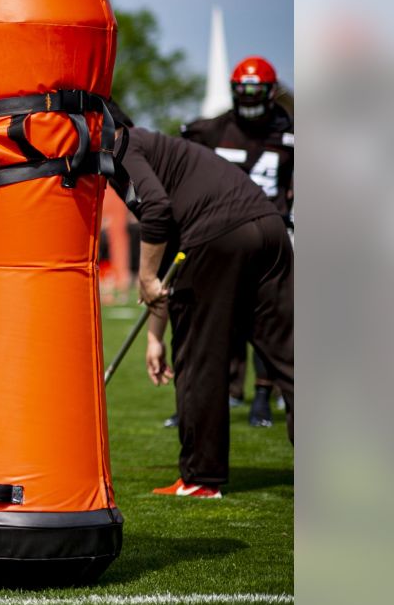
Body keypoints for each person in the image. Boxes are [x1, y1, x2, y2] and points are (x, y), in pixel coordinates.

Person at [109, 99, 293, 499]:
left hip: (219, 235)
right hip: (269, 228)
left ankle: (200, 477)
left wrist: (143, 278)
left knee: (197, 356)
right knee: (291, 356)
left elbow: (157, 212)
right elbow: (170, 243)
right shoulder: (154, 146)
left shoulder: (124, 147)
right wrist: (155, 335)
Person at [181, 56, 294, 427]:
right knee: (216, 318)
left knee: (271, 321)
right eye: (242, 92)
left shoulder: (290, 130)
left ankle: (265, 394)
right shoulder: (211, 130)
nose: (248, 99)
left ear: (271, 92)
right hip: (224, 236)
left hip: (272, 235)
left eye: (255, 92)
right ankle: (215, 396)